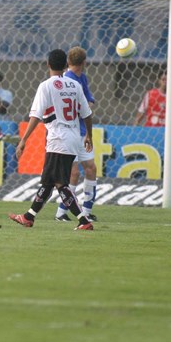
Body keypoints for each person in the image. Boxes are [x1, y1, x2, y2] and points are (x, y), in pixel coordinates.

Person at [9, 48, 94, 230]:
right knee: (48, 181)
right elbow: (87, 113)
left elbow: (36, 116)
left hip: (58, 138)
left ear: (48, 64)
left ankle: (83, 221)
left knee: (60, 183)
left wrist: (23, 140)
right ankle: (29, 217)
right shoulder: (74, 85)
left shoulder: (46, 86)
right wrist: (89, 135)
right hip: (73, 137)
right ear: (65, 66)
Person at [55, 46, 98, 222]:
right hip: (68, 133)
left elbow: (89, 102)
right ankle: (61, 212)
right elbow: (82, 107)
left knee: (91, 168)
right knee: (73, 173)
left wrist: (86, 108)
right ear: (84, 62)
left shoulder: (82, 78)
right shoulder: (65, 80)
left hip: (81, 132)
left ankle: (87, 211)